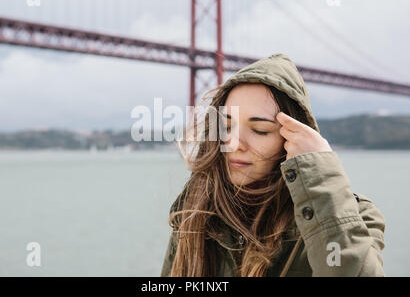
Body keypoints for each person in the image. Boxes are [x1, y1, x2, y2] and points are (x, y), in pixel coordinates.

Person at [160, 53, 385, 277]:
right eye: (227, 126)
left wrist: (320, 176)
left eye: (260, 130)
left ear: (292, 140)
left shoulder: (353, 216)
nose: (233, 144)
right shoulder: (194, 210)